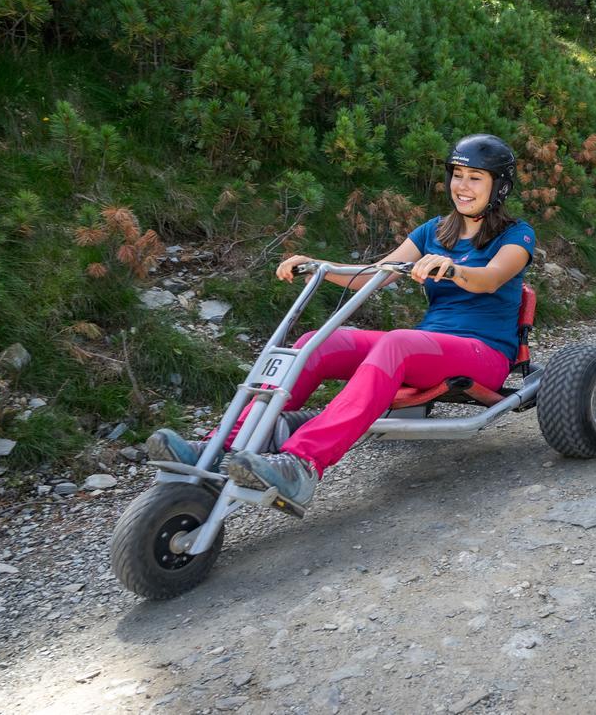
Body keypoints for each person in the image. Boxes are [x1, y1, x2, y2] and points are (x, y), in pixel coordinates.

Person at [146, 134, 536, 508]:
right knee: (320, 340)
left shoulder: (516, 235)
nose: (462, 186)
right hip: (427, 347)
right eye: (457, 174)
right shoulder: (434, 231)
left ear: (498, 186)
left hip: (483, 354)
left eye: (475, 178)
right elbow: (374, 272)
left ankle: (302, 463)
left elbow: (493, 277)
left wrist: (454, 270)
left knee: (397, 341)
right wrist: (319, 266)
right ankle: (222, 446)